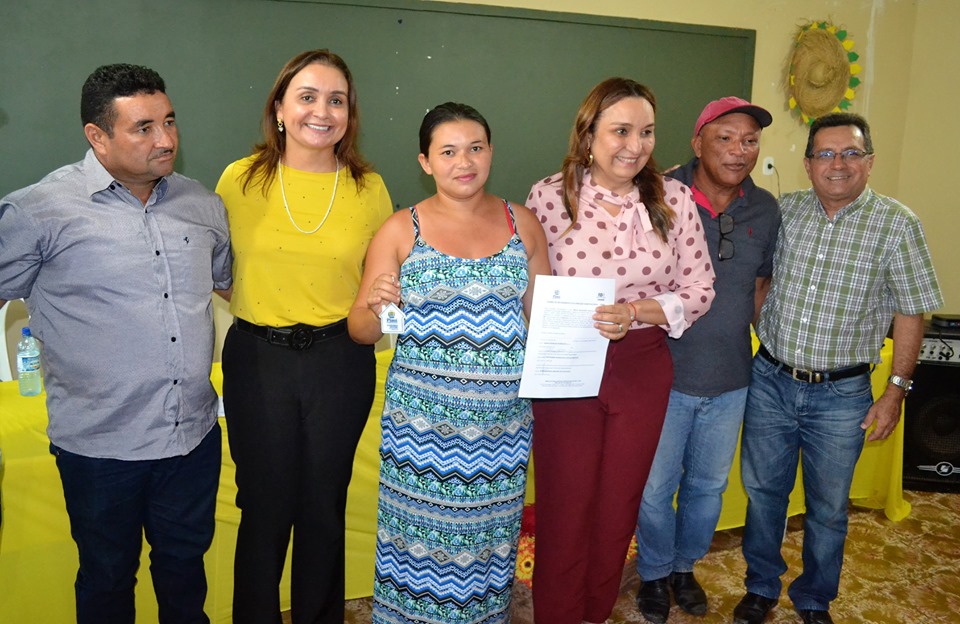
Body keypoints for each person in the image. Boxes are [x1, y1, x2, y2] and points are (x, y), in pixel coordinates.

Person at [0, 64, 232, 624]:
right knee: (106, 580)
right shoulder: (37, 212)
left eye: (170, 122)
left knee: (184, 575)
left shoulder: (202, 205)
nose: (167, 140)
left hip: (191, 439)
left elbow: (228, 284)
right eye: (144, 128)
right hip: (101, 449)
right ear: (97, 137)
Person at [733, 112, 942, 624]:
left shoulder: (898, 224)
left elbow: (911, 311)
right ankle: (760, 587)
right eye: (825, 153)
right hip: (771, 381)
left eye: (850, 152)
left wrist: (895, 392)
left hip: (842, 396)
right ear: (807, 164)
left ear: (869, 162)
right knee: (764, 496)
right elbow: (761, 280)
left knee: (827, 509)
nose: (838, 164)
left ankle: (813, 599)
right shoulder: (787, 212)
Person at [348, 102, 550, 624]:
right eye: (449, 151)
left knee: (488, 552)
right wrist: (377, 305)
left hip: (501, 434)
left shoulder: (521, 224)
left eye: (476, 147)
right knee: (416, 557)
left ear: (490, 152)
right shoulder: (400, 229)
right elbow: (361, 331)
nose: (465, 161)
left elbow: (543, 325)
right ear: (425, 161)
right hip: (422, 438)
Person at [525, 77, 715, 624]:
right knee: (565, 508)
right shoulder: (548, 195)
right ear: (588, 136)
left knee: (617, 508)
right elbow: (529, 285)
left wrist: (634, 313)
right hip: (567, 368)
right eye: (621, 131)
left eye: (647, 132)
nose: (635, 145)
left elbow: (699, 289)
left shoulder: (675, 198)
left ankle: (594, 612)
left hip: (640, 366)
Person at [215, 49, 393, 623]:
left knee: (323, 506)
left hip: (339, 361)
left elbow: (385, 283)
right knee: (264, 508)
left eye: (336, 100)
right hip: (257, 360)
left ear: (350, 114)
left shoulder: (370, 190)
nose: (323, 111)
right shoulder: (239, 180)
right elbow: (219, 270)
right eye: (308, 97)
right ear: (280, 109)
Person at [633, 96, 779, 623]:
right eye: (725, 138)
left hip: (731, 379)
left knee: (708, 488)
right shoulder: (655, 196)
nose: (739, 151)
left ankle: (683, 567)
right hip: (662, 375)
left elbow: (760, 287)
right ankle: (652, 573)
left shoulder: (765, 208)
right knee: (654, 488)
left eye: (749, 140)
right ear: (697, 142)